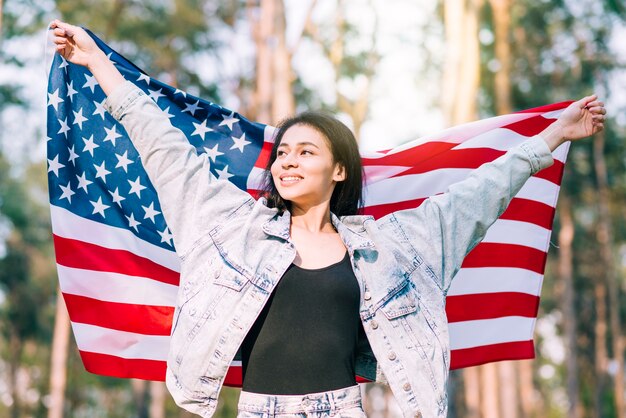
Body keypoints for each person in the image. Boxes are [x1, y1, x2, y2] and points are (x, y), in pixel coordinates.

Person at [50, 19, 606, 418]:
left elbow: (478, 196)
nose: (288, 161)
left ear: (340, 170)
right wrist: (97, 60)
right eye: (283, 153)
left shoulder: (394, 246)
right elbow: (163, 148)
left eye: (306, 152)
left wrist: (553, 136)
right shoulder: (229, 227)